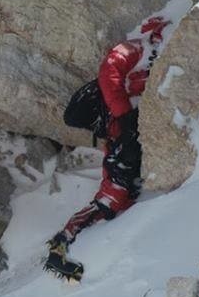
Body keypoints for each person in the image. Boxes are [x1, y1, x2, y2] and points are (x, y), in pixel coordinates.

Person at [44, 16, 171, 281]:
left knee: (124, 188)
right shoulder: (138, 48)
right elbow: (110, 68)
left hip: (132, 126)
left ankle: (85, 247)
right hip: (124, 126)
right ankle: (64, 243)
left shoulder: (157, 52)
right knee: (115, 188)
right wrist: (124, 116)